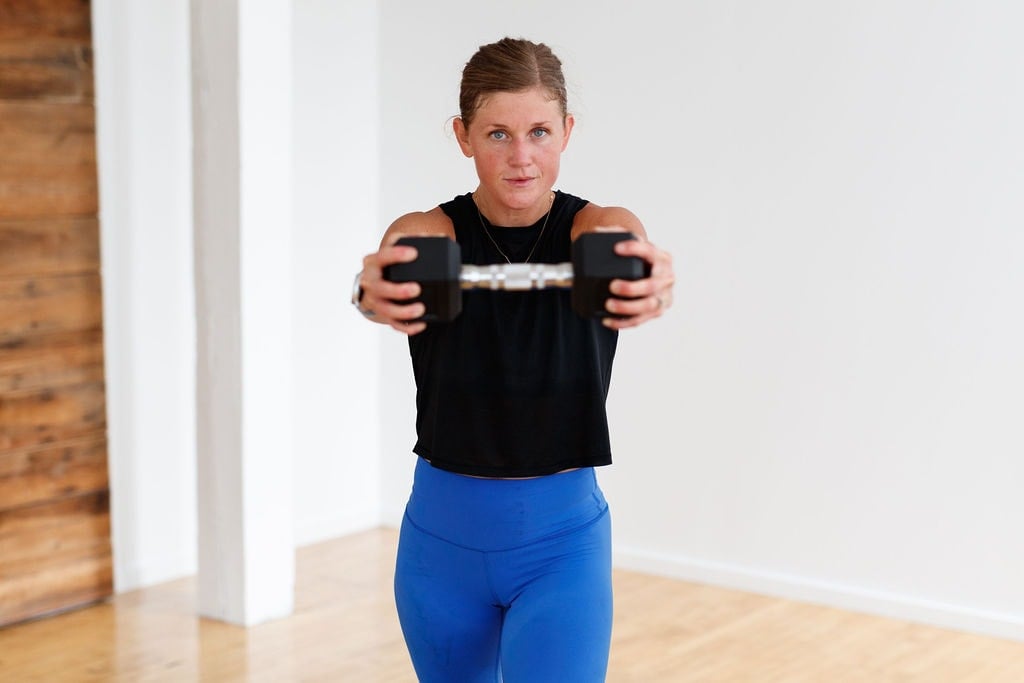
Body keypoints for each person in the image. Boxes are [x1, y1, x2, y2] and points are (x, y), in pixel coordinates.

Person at [352, 37, 674, 683]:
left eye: (539, 131)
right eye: (497, 133)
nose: (521, 156)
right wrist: (370, 292)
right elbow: (400, 255)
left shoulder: (595, 228)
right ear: (463, 136)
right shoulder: (430, 232)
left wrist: (646, 273)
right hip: (439, 547)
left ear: (567, 132)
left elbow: (616, 239)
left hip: (560, 549)